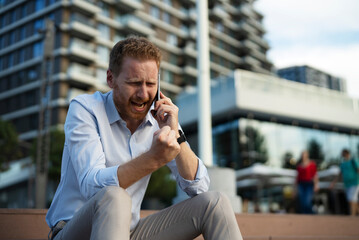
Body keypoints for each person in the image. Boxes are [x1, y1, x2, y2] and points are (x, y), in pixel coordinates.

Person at [46, 36, 242, 240]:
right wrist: (154, 158)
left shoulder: (159, 116)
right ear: (111, 79)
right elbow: (91, 187)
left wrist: (176, 135)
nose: (143, 94)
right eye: (134, 83)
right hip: (73, 231)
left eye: (150, 83)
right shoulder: (85, 109)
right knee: (114, 196)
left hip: (129, 234)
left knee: (215, 202)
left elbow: (199, 188)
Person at [331, 149, 359, 216]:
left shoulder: (353, 161)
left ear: (347, 154)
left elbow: (358, 170)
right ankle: (356, 213)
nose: (342, 155)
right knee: (352, 201)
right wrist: (333, 183)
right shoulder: (342, 164)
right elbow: (339, 174)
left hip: (355, 183)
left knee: (351, 200)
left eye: (343, 153)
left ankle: (352, 216)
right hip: (347, 184)